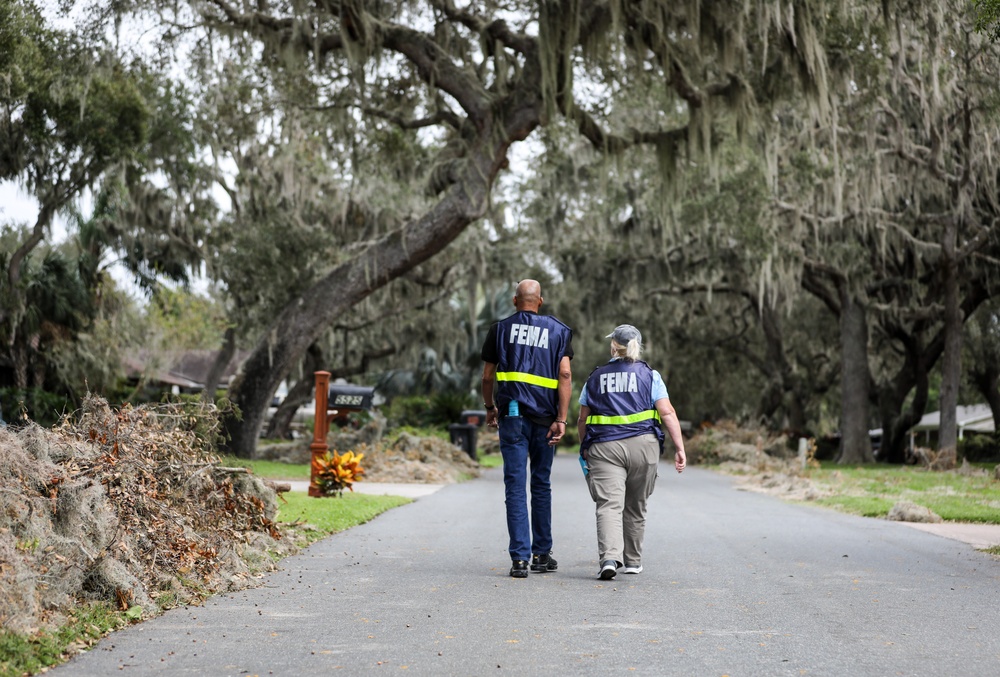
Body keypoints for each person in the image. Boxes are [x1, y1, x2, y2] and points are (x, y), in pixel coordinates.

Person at [577, 324, 686, 580]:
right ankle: (633, 561)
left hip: (604, 448)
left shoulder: (595, 377)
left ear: (614, 346)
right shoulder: (651, 376)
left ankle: (609, 559)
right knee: (636, 505)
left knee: (609, 505)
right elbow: (667, 412)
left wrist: (584, 449)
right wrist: (680, 447)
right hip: (644, 446)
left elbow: (583, 419)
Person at [481, 279, 573, 578]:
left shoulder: (500, 329)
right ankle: (542, 555)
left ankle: (519, 559)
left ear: (514, 300)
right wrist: (562, 418)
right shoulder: (559, 331)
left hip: (512, 415)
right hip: (546, 420)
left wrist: (489, 407)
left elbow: (487, 377)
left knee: (515, 486)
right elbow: (565, 374)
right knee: (541, 484)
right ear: (540, 301)